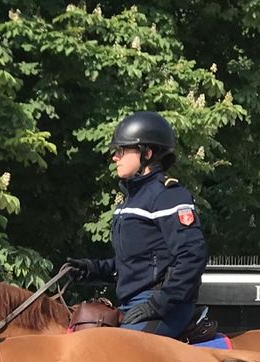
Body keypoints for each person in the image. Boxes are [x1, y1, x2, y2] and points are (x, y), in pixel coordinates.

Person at [63, 111, 208, 339]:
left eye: (121, 150)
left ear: (147, 153)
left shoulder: (168, 196)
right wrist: (92, 270)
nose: (115, 157)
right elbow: (135, 264)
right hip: (133, 305)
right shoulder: (132, 199)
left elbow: (193, 256)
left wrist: (158, 304)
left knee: (115, 355)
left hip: (166, 307)